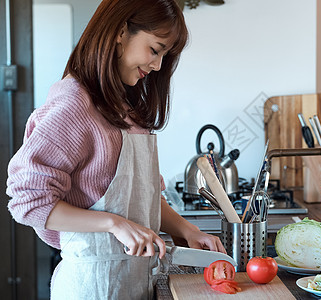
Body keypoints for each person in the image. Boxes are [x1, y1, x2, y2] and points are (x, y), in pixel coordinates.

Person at [6, 0, 225, 298]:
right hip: (91, 287)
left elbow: (141, 197)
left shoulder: (126, 106)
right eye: (155, 49)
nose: (158, 65)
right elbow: (27, 201)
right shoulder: (73, 103)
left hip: (134, 284)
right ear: (121, 32)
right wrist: (113, 224)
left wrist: (186, 229)